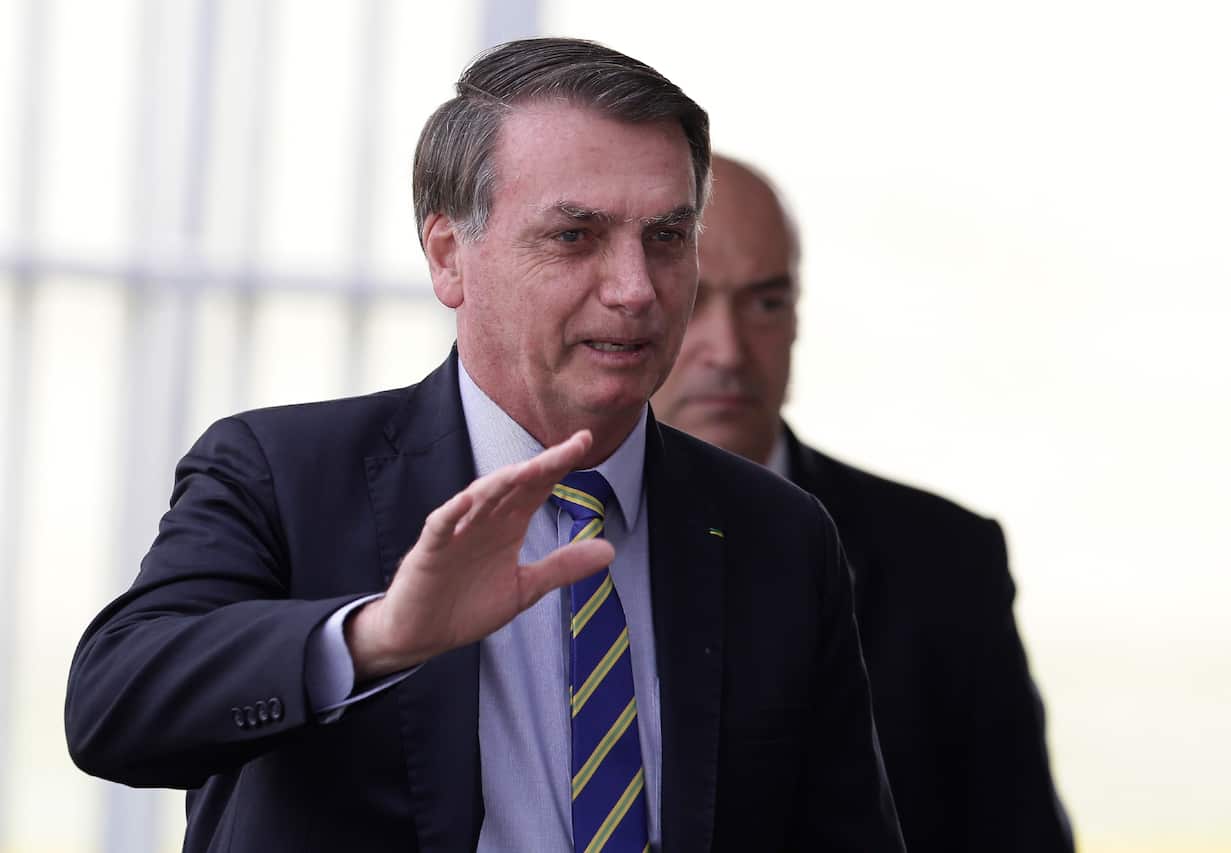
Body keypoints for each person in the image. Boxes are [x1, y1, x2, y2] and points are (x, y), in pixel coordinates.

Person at [64, 40, 905, 852]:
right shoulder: (281, 472)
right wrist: (375, 638)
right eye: (574, 236)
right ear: (448, 258)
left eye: (666, 237)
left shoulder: (780, 533)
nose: (635, 289)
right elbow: (113, 705)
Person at [650, 155, 1075, 852]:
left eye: (766, 302)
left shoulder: (947, 559)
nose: (727, 350)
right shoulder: (528, 536)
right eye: (694, 300)